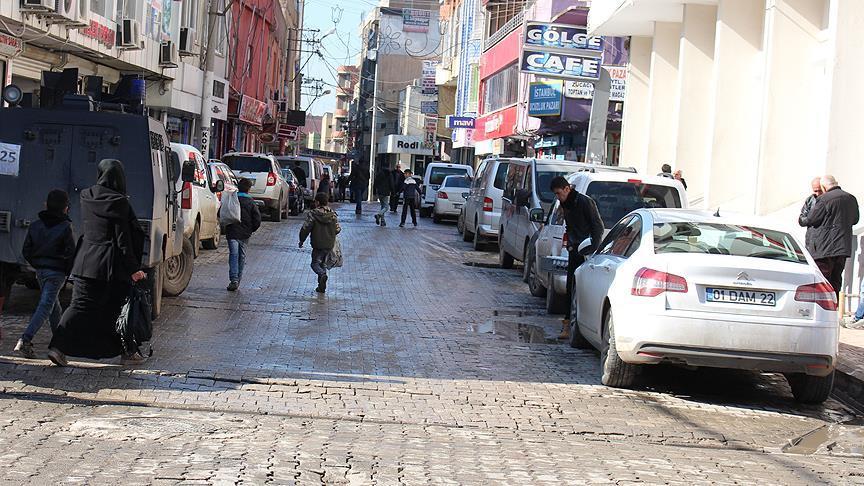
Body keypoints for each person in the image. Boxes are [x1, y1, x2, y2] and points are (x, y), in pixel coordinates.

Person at [47, 159, 147, 367]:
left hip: (85, 261)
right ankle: (128, 351)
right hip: (111, 266)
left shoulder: (86, 196)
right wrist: (134, 269)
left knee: (79, 306)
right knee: (118, 308)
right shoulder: (119, 202)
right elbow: (123, 241)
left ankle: (57, 347)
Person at [14, 190, 76, 359]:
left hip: (40, 272)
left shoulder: (35, 225)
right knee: (46, 306)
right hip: (57, 273)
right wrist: (67, 272)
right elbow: (71, 253)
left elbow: (26, 250)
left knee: (54, 308)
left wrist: (38, 264)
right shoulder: (65, 227)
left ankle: (58, 346)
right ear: (65, 208)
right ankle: (25, 339)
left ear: (45, 205)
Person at [549, 176, 604, 340]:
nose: (558, 197)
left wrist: (591, 248)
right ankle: (568, 324)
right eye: (556, 195)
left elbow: (597, 227)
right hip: (575, 249)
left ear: (567, 189)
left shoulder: (584, 202)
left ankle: (581, 325)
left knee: (583, 289)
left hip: (585, 251)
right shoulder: (566, 204)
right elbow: (571, 226)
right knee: (571, 288)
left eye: (559, 193)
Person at [799, 175, 860, 298]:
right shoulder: (851, 198)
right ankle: (833, 307)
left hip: (824, 248)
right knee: (836, 279)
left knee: (822, 280)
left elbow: (812, 219)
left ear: (823, 186)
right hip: (842, 248)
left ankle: (823, 309)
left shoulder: (824, 199)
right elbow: (855, 219)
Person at [299, 192, 341, 293]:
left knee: (315, 264)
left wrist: (301, 240)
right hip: (329, 244)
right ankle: (321, 287)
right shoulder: (332, 214)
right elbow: (338, 229)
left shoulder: (313, 214)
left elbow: (306, 228)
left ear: (317, 202)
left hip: (318, 244)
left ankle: (322, 275)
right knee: (323, 264)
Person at [225, 178, 262, 291]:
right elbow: (257, 220)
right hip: (245, 234)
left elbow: (221, 213)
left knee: (233, 255)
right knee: (241, 256)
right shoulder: (251, 202)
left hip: (232, 232)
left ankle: (234, 279)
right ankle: (237, 280)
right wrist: (250, 230)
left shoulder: (231, 199)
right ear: (249, 189)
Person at [798, 177, 824, 252]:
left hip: (823, 239)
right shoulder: (810, 200)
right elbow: (801, 220)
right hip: (811, 239)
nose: (818, 193)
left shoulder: (829, 200)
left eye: (820, 190)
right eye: (815, 191)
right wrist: (812, 218)